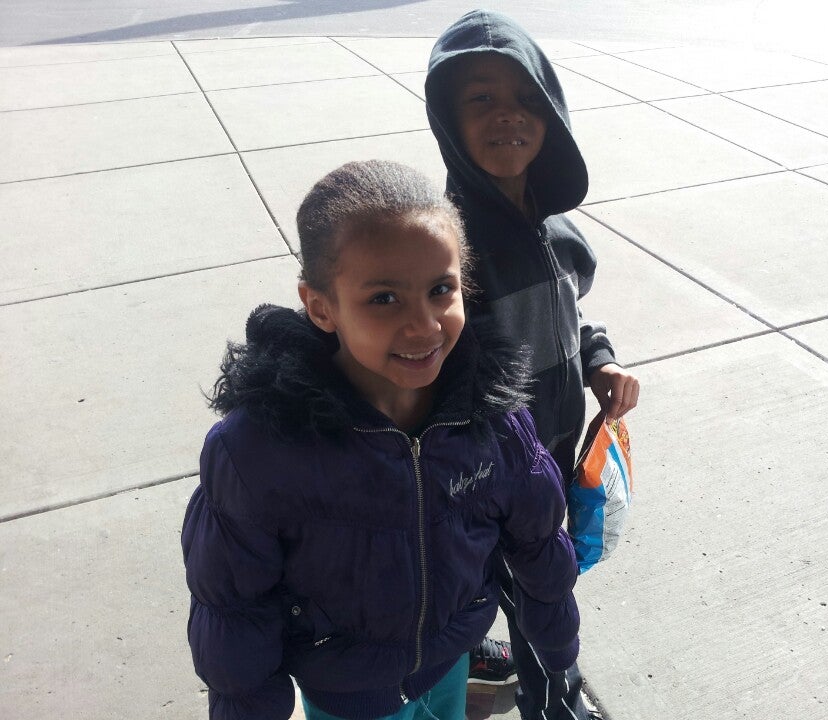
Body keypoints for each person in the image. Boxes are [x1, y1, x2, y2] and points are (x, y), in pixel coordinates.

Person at [181, 160, 581, 720]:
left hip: (448, 663)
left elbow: (538, 540)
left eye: (440, 289)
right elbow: (233, 611)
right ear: (321, 306)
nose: (425, 326)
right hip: (348, 695)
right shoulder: (258, 453)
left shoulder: (492, 418)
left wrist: (557, 643)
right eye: (385, 299)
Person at [425, 10, 640, 719]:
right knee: (538, 593)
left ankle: (489, 659)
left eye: (525, 97)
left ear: (551, 113)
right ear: (449, 118)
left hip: (555, 451)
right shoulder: (449, 249)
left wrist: (598, 363)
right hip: (496, 475)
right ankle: (555, 701)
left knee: (523, 584)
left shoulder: (556, 231)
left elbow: (570, 316)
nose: (507, 114)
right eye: (480, 98)